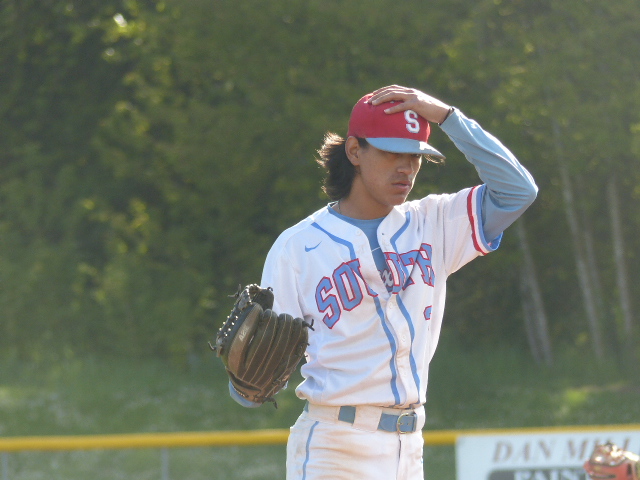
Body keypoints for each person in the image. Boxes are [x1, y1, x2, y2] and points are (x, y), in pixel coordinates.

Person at [231, 85, 538, 479]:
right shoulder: (298, 247)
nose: (406, 168)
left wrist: (447, 117)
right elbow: (254, 382)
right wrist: (244, 383)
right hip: (335, 446)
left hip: (409, 448)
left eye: (415, 156)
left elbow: (518, 191)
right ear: (354, 151)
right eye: (392, 153)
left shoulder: (434, 222)